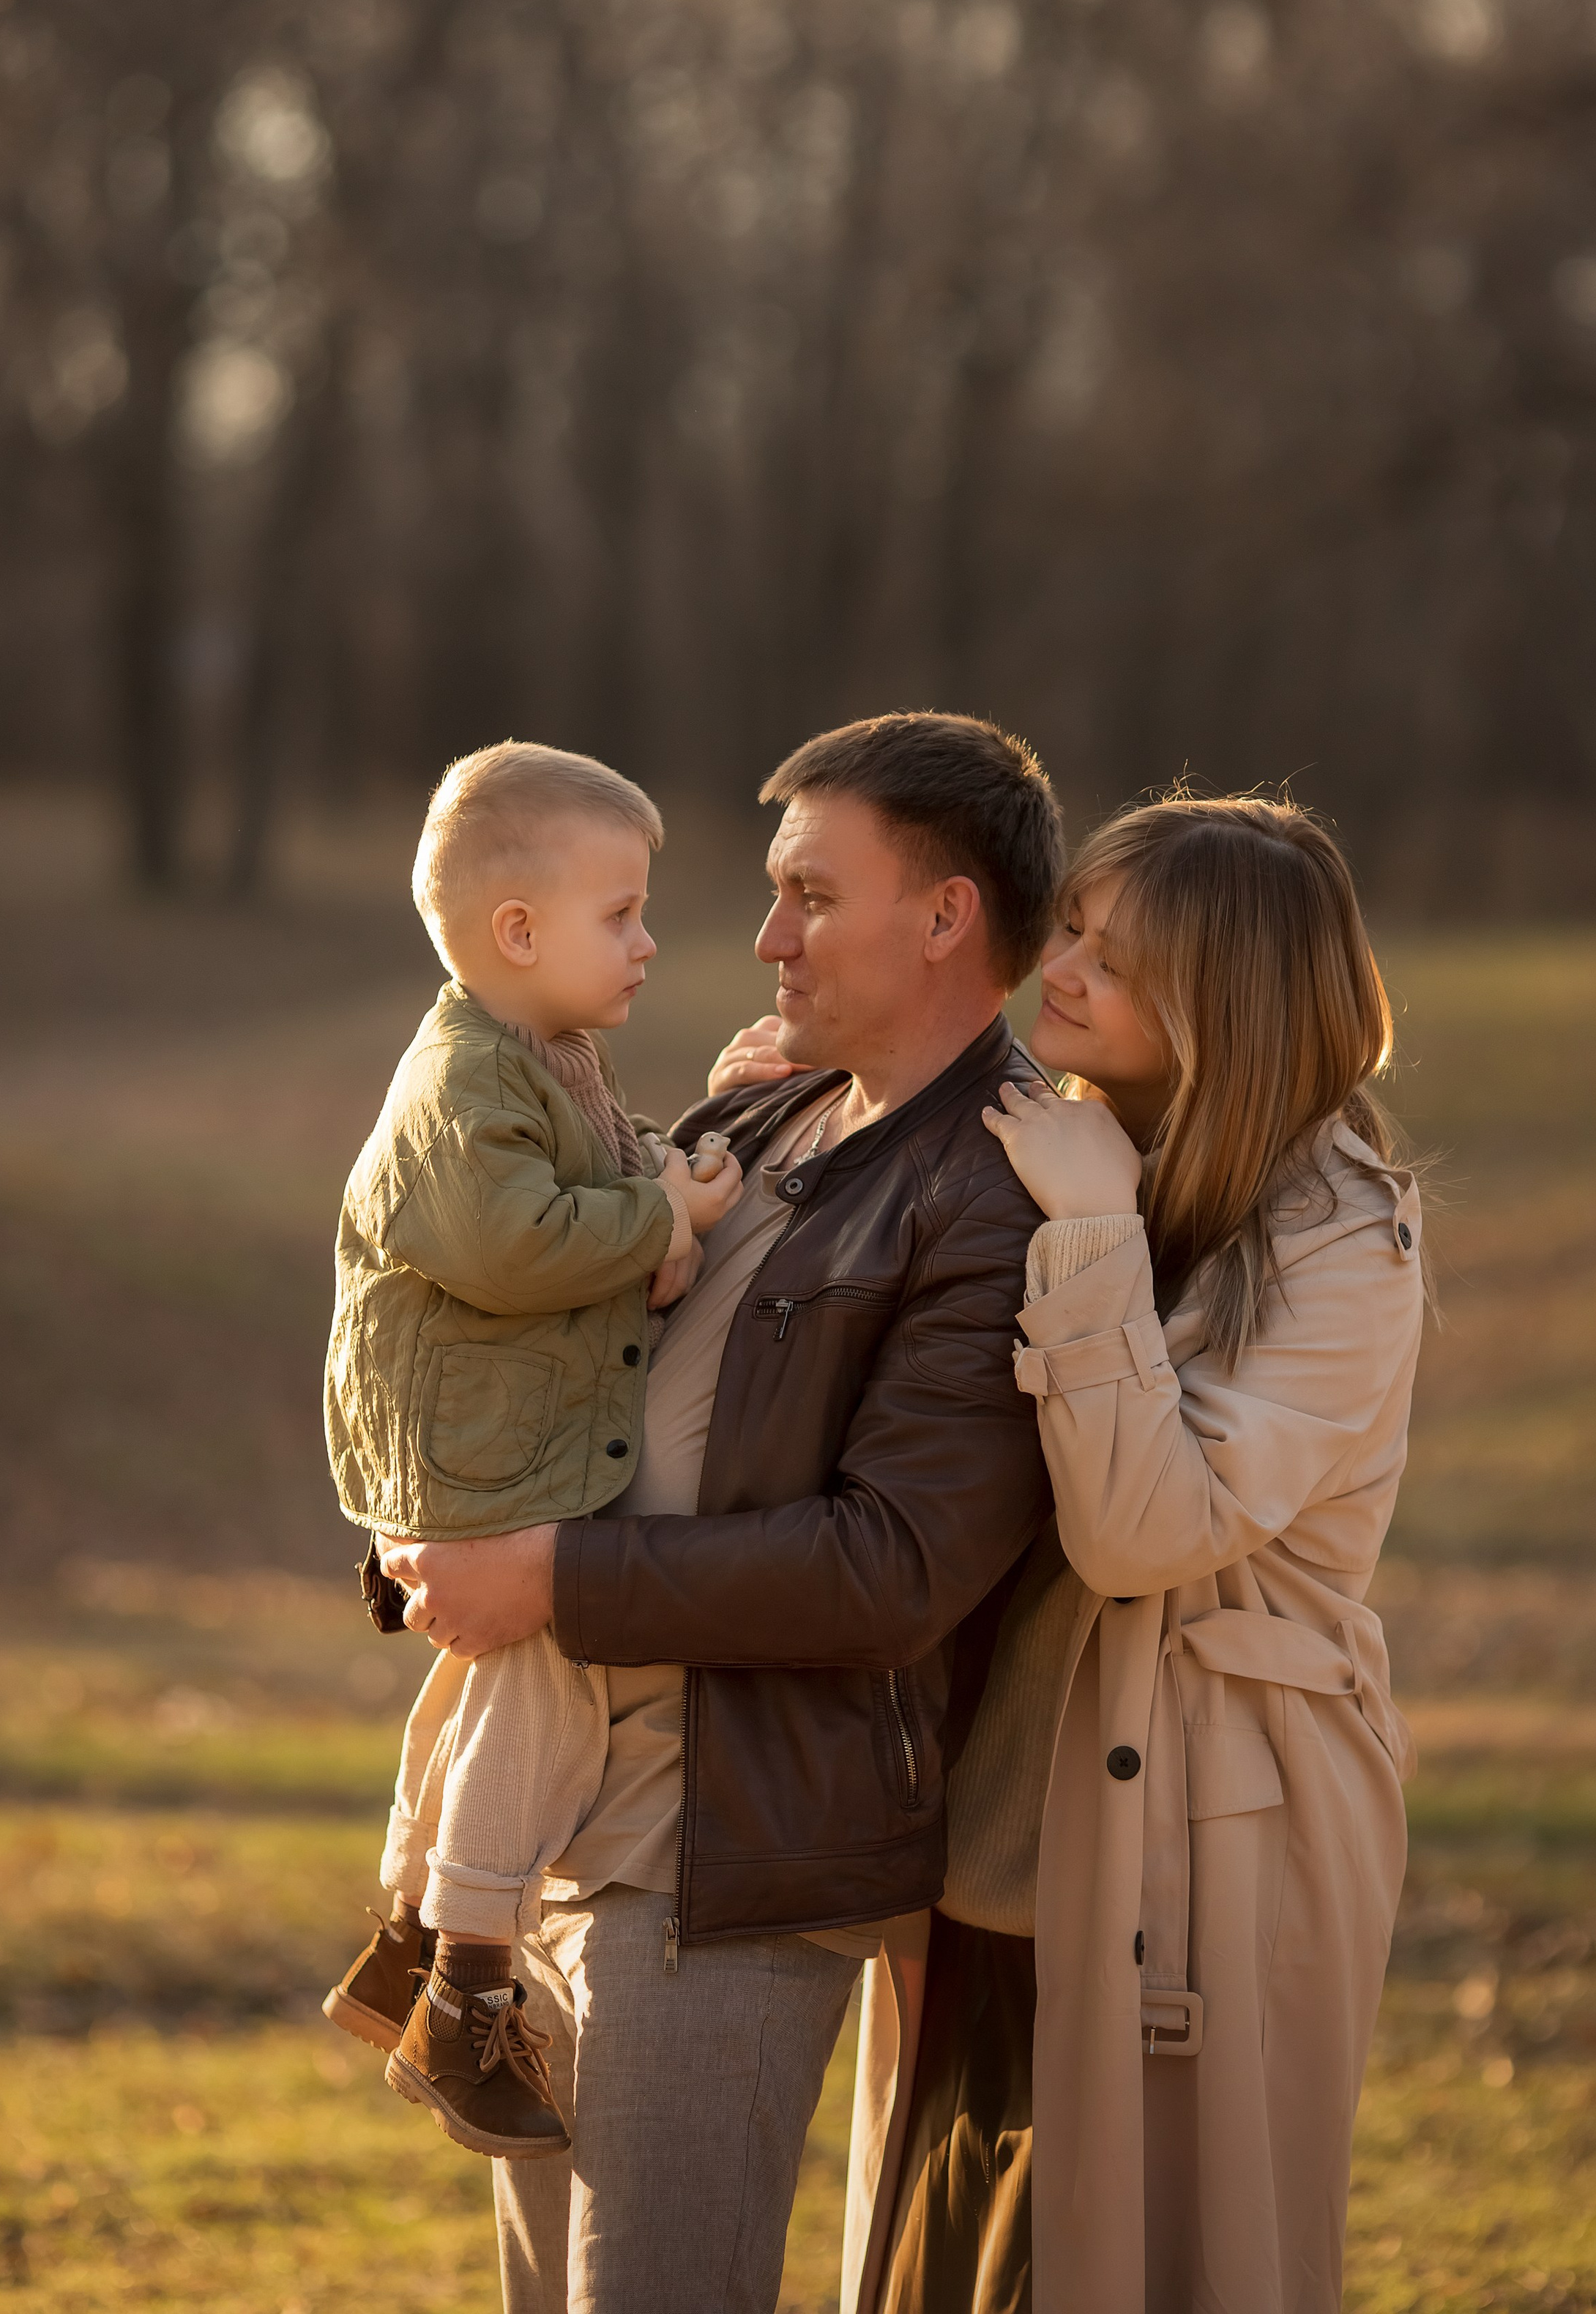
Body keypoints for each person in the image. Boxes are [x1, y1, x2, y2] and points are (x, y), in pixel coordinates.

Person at [378, 711, 1065, 2314]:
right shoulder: (761, 1119)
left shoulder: (999, 1190)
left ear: (945, 917)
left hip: (728, 1859)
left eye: (811, 896)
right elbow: (555, 1353)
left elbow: (890, 1569)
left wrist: (549, 1576)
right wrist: (435, 1536)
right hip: (557, 1823)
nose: (762, 937)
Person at [843, 792, 1428, 2314]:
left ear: (1220, 997)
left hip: (1203, 1827)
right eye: (1078, 922)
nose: (1068, 962)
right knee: (950, 2258)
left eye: (1118, 947)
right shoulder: (1087, 1140)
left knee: (1151, 2258)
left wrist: (1095, 1239)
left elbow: (1143, 1533)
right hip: (992, 1824)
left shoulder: (1339, 1243)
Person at [321, 740, 745, 2158]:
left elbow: (604, 1209)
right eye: (619, 913)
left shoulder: (550, 1059)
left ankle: (410, 1933)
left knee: (488, 1678)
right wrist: (664, 1223)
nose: (646, 942)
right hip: (472, 1448)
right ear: (517, 933)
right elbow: (513, 1244)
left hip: (502, 1434)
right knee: (551, 1671)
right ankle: (471, 1986)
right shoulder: (461, 1081)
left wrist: (664, 1203)